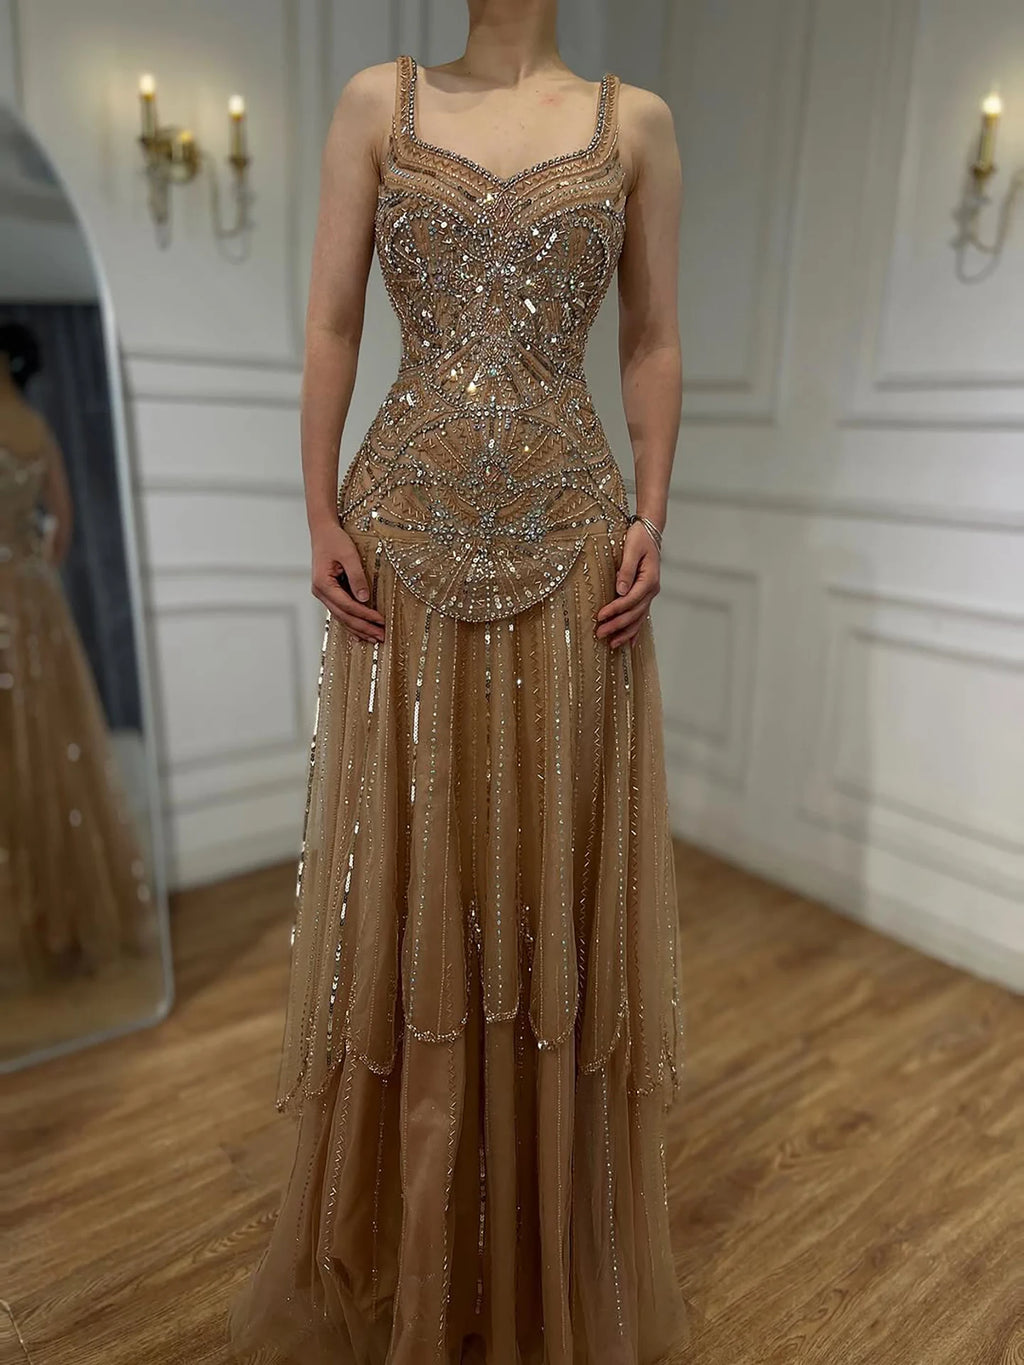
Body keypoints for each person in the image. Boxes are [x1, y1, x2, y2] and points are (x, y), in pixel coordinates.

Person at [228, 3, 687, 1360]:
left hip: (576, 546)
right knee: (415, 875)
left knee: (551, 879)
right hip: (404, 546)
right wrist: (318, 510)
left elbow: (652, 339)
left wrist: (654, 512)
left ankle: (542, 1252)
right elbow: (331, 322)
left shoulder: (636, 122)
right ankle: (413, 1241)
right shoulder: (380, 102)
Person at [0, 322, 152, 989]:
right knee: (51, 742)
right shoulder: (37, 427)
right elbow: (62, 524)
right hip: (36, 598)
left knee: (22, 749)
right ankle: (61, 918)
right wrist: (30, 563)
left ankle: (40, 920)